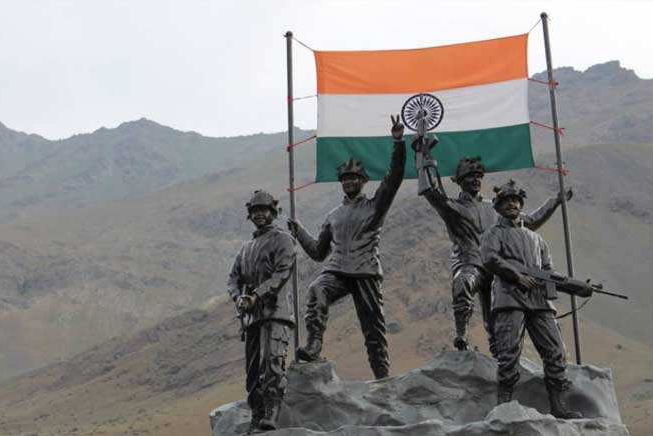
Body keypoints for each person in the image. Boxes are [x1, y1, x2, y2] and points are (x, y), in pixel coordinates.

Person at [287, 115, 406, 380]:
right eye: (345, 179)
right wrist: (300, 232)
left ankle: (382, 376)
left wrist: (398, 143)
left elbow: (394, 178)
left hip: (365, 271)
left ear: (363, 181)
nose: (349, 182)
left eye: (354, 178)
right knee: (317, 289)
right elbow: (318, 252)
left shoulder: (374, 206)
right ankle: (314, 345)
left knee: (373, 328)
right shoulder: (333, 216)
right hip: (337, 270)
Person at [419, 156, 569, 354]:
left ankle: (498, 351)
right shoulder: (451, 206)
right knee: (462, 283)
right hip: (470, 263)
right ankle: (461, 335)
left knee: (495, 317)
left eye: (478, 176)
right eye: (470, 176)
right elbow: (429, 191)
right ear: (459, 180)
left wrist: (555, 201)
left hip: (498, 269)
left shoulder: (496, 208)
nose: (476, 179)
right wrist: (424, 161)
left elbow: (531, 221)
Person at [480, 179, 582, 419]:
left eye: (515, 200)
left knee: (555, 351)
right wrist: (517, 277)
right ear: (498, 207)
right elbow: (490, 259)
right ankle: (504, 406)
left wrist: (575, 286)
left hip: (539, 302)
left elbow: (548, 270)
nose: (512, 204)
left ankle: (558, 406)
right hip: (509, 299)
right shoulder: (493, 234)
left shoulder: (537, 240)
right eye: (506, 201)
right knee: (508, 354)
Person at [226, 190, 296, 434]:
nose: (259, 215)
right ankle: (256, 416)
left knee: (272, 362)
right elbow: (233, 279)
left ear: (272, 212)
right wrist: (238, 297)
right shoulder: (246, 248)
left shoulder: (283, 240)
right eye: (255, 211)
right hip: (252, 317)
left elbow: (282, 273)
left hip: (276, 312)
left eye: (264, 210)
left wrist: (257, 294)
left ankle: (271, 413)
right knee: (253, 371)